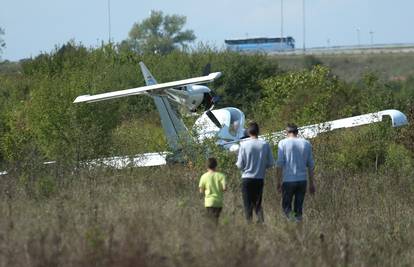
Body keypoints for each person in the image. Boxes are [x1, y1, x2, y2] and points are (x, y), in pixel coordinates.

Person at [276, 123, 315, 222]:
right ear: (297, 132)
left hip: (288, 180)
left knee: (286, 207)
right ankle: (298, 226)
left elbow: (279, 164)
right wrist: (312, 184)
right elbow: (310, 165)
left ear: (286, 132)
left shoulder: (283, 143)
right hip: (302, 180)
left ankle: (293, 224)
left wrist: (278, 182)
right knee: (299, 209)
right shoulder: (306, 143)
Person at [236, 122, 274, 223]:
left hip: (247, 178)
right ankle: (261, 223)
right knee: (257, 204)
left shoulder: (243, 145)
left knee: (247, 204)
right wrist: (261, 167)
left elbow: (239, 165)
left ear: (248, 132)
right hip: (259, 178)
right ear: (258, 131)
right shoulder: (264, 144)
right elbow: (270, 163)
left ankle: (249, 225)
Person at [199, 157, 227, 224]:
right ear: (216, 165)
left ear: (207, 166)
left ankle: (211, 232)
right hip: (218, 202)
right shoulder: (221, 176)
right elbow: (224, 188)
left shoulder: (203, 176)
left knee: (210, 220)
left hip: (208, 202)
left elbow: (201, 191)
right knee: (216, 219)